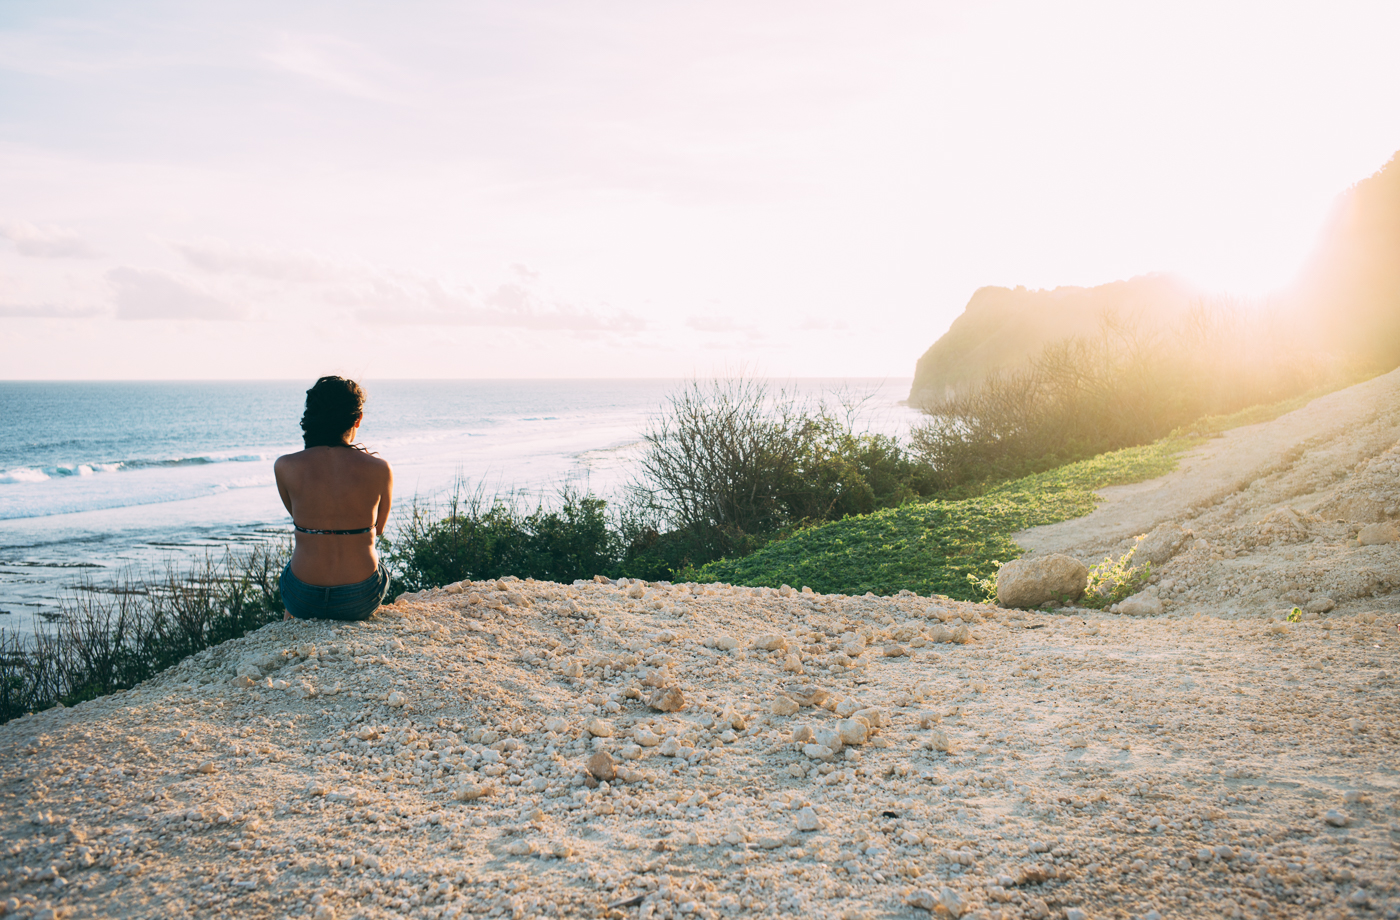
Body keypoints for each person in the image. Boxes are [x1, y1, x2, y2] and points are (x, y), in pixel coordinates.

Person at [274, 376, 394, 621]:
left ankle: (290, 625)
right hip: (359, 598)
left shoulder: (285, 466)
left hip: (303, 598)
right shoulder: (380, 469)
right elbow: (379, 529)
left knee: (296, 565)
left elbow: (299, 516)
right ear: (357, 419)